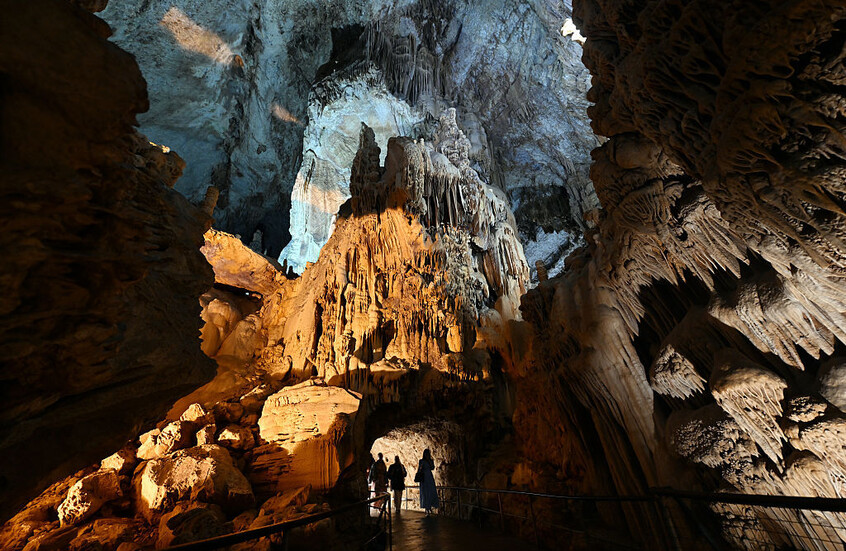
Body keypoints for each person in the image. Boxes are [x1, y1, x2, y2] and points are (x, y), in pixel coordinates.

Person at [417, 448, 438, 515]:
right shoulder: (421, 461)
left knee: (430, 491)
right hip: (424, 478)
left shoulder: (430, 461)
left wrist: (429, 461)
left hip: (429, 477)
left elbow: (432, 467)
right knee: (425, 492)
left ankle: (430, 506)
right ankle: (427, 508)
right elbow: (419, 469)